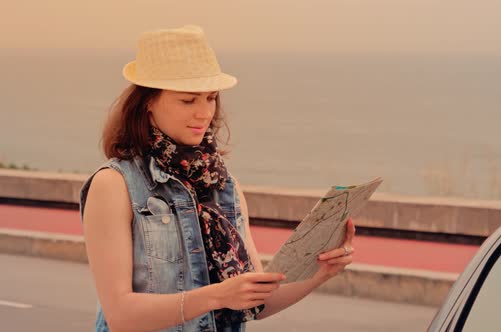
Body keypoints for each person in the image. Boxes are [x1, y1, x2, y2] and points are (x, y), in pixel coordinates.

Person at [79, 25, 356, 332]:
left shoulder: (225, 186)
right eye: (188, 100)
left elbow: (255, 304)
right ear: (147, 102)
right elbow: (121, 315)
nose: (204, 113)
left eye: (211, 98)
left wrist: (320, 273)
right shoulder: (114, 184)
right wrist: (218, 295)